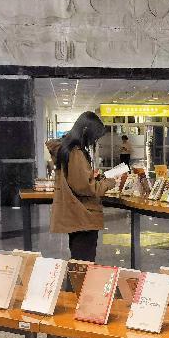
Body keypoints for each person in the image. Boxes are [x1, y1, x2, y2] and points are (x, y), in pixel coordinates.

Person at [47, 111, 116, 262]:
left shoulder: (67, 149)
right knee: (83, 263)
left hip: (75, 213)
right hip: (83, 215)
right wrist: (110, 181)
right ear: (85, 131)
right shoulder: (75, 153)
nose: (94, 140)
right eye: (94, 136)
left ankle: (75, 278)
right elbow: (86, 188)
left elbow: (77, 180)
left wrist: (92, 177)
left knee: (78, 259)